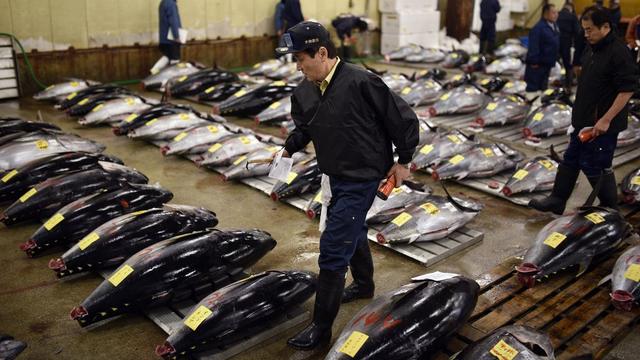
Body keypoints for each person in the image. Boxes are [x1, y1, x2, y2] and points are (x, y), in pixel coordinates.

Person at [275, 21, 418, 350]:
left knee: (333, 249)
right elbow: (305, 127)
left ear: (322, 53)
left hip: (363, 177)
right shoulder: (306, 89)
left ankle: (320, 329)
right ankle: (365, 284)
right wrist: (287, 148)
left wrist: (404, 161)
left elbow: (403, 119)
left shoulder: (361, 81)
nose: (297, 66)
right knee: (348, 229)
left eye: (300, 58)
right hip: (333, 175)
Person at [529, 6, 639, 215]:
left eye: (590, 30)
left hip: (602, 125)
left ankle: (610, 209)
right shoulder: (592, 48)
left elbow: (627, 90)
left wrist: (605, 120)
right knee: (570, 159)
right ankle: (557, 199)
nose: (586, 34)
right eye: (584, 30)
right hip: (583, 121)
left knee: (595, 164)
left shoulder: (618, 52)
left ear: (605, 27)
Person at [524, 4, 560, 94]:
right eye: (553, 13)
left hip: (547, 63)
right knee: (533, 88)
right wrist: (533, 61)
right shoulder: (538, 28)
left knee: (543, 87)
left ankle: (539, 105)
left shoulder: (554, 26)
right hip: (537, 65)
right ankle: (532, 104)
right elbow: (533, 46)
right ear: (546, 14)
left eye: (557, 13)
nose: (556, 15)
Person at [151, 0, 183, 74]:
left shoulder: (163, 3)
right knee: (175, 61)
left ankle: (153, 72)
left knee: (167, 57)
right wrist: (176, 36)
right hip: (171, 40)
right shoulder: (171, 4)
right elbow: (173, 21)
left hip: (164, 39)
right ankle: (173, 81)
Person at [557, 2, 580, 91]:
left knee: (553, 64)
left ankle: (553, 81)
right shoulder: (572, 17)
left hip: (555, 42)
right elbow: (577, 31)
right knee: (567, 65)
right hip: (566, 43)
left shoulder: (556, 14)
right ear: (570, 9)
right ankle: (568, 86)